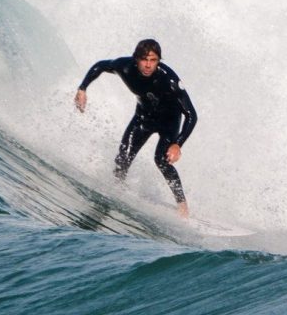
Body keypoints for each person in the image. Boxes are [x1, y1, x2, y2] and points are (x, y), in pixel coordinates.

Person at [74, 39, 197, 218]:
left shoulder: (169, 79)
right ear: (135, 59)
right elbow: (100, 66)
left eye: (153, 60)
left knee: (161, 159)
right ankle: (116, 190)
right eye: (144, 59)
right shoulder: (125, 67)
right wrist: (82, 88)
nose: (148, 65)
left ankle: (183, 206)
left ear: (159, 61)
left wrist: (177, 144)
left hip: (169, 121)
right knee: (123, 157)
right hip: (143, 118)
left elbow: (192, 115)